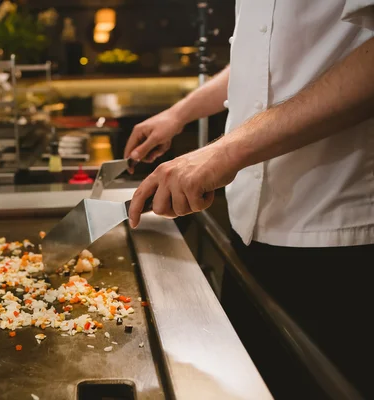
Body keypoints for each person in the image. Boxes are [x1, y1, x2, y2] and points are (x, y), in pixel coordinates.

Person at [124, 1, 374, 399]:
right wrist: (180, 113)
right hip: (253, 235)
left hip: (339, 239)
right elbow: (263, 60)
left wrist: (223, 152)